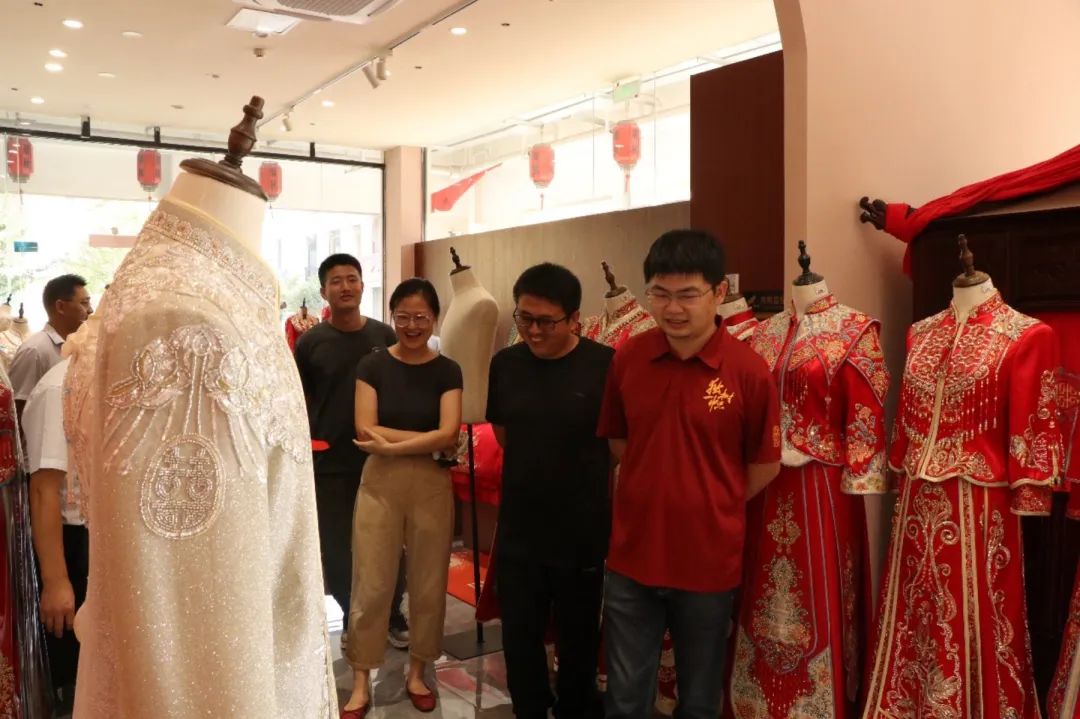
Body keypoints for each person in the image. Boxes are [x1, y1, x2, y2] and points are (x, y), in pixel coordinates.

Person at [597, 230, 781, 719]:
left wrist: (712, 499)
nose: (672, 309)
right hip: (632, 557)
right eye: (659, 293)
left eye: (687, 295)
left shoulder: (747, 371)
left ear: (719, 292)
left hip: (707, 562)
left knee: (699, 700)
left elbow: (765, 463)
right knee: (625, 698)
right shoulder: (629, 358)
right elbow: (619, 441)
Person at [487, 263, 614, 719]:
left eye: (547, 321)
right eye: (525, 318)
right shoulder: (506, 364)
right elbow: (504, 434)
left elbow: (618, 446)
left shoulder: (605, 365)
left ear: (575, 318)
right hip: (521, 527)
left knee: (579, 637)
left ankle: (575, 708)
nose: (534, 331)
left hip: (582, 528)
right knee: (520, 635)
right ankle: (530, 708)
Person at [343, 278, 462, 717]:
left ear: (435, 319)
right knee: (371, 582)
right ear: (392, 316)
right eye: (404, 317)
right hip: (380, 484)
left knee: (428, 583)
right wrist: (425, 441)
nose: (412, 326)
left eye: (421, 317)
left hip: (431, 485)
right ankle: (361, 680)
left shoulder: (448, 370)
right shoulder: (372, 365)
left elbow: (450, 432)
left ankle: (417, 673)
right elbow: (364, 428)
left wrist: (392, 445)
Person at [295, 254, 409, 650]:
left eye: (352, 279)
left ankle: (393, 614)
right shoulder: (310, 343)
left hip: (380, 456)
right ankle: (351, 617)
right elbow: (301, 402)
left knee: (388, 540)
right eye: (336, 281)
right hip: (331, 462)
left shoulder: (384, 336)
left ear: (362, 285)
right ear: (324, 291)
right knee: (338, 547)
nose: (345, 286)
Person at [23, 354, 88, 710]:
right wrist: (56, 580)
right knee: (72, 667)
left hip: (100, 537)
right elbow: (43, 488)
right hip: (69, 541)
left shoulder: (110, 374)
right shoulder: (58, 387)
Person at [8, 274, 91, 418]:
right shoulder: (35, 350)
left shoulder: (81, 346)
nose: (90, 310)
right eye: (84, 303)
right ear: (60, 307)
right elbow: (18, 409)